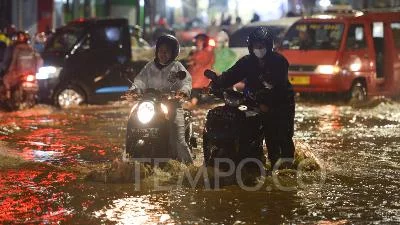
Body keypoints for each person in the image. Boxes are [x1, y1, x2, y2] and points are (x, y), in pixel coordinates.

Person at [206, 27, 295, 168]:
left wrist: (267, 102)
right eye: (256, 45)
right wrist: (217, 83)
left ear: (268, 46)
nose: (259, 48)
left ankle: (285, 167)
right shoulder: (246, 62)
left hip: (280, 103)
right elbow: (231, 75)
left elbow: (278, 86)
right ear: (251, 46)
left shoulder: (279, 62)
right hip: (253, 100)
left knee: (278, 136)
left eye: (262, 46)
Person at [130, 34, 193, 163]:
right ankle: (128, 159)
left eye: (166, 52)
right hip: (149, 104)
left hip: (171, 105)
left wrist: (182, 92)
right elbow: (140, 81)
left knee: (178, 140)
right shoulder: (149, 67)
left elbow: (186, 82)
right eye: (160, 51)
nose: (163, 54)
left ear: (173, 53)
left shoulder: (177, 67)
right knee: (132, 122)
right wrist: (133, 90)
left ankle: (189, 168)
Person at [2, 31, 42, 99]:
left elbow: (12, 62)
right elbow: (40, 60)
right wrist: (36, 71)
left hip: (18, 74)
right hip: (31, 73)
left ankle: (8, 95)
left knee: (5, 80)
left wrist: (8, 70)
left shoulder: (15, 49)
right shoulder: (31, 49)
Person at [187, 33, 214, 106]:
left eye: (199, 40)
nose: (197, 42)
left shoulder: (207, 52)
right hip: (194, 81)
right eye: (197, 40)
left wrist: (194, 62)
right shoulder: (195, 52)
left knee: (195, 102)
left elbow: (203, 63)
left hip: (200, 81)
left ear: (203, 42)